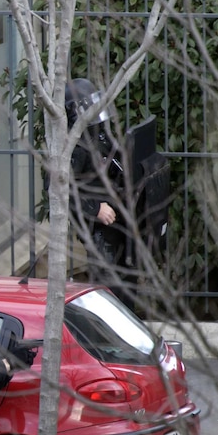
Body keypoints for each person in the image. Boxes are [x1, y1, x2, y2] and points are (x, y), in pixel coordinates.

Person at [62, 77, 134, 308]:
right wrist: (95, 208)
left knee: (124, 284)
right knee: (108, 287)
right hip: (98, 228)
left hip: (117, 221)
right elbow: (59, 189)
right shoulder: (73, 145)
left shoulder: (97, 133)